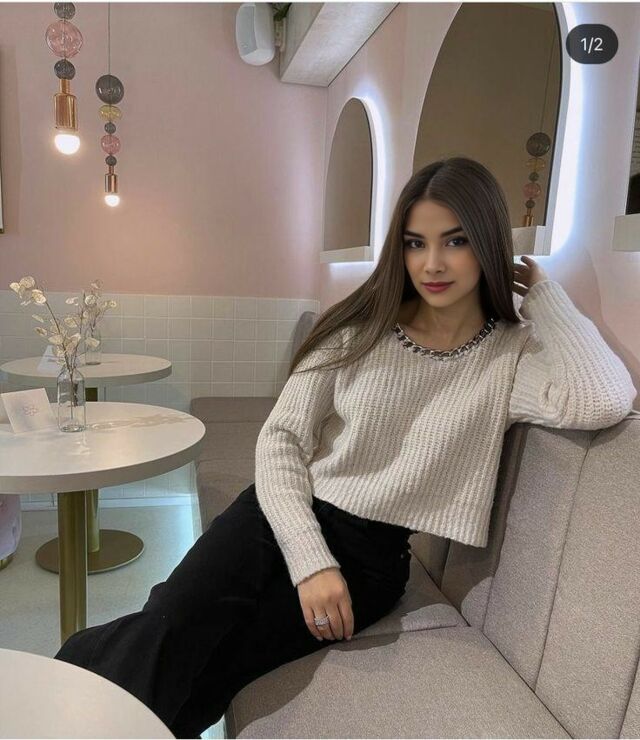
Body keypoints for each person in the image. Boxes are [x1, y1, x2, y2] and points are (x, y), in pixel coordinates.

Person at [54, 156, 637, 738]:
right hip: (278, 514)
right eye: (415, 243)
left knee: (218, 669)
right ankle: (66, 712)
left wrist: (545, 296)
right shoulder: (359, 329)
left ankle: (70, 689)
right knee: (172, 620)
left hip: (371, 566)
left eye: (456, 241)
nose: (432, 263)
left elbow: (601, 399)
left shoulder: (509, 357)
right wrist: (311, 560)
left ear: (488, 244)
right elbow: (281, 440)